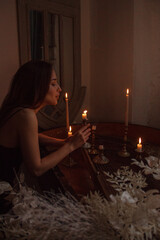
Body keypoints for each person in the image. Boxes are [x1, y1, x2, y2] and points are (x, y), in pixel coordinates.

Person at [0, 60, 91, 192]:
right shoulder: (26, 115)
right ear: (37, 87)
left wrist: (61, 142)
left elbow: (30, 137)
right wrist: (70, 146)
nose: (59, 88)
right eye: (53, 84)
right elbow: (36, 169)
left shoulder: (19, 110)